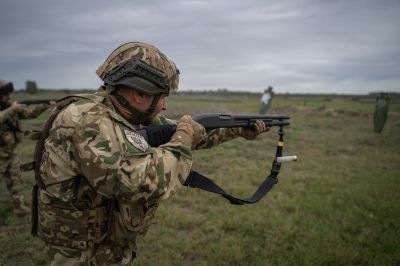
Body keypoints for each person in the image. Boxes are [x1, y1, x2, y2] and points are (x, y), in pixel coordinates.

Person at [32, 42, 270, 265]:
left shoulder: (122, 113)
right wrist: (182, 139)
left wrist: (238, 129)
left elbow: (187, 132)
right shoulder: (90, 122)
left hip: (103, 243)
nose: (165, 106)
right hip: (80, 253)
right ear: (139, 94)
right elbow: (139, 183)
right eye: (163, 97)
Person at [0, 80, 54, 215]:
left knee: (16, 179)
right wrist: (12, 109)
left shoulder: (9, 107)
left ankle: (18, 206)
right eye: (5, 94)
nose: (8, 97)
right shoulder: (9, 109)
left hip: (10, 153)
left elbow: (29, 114)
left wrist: (44, 106)